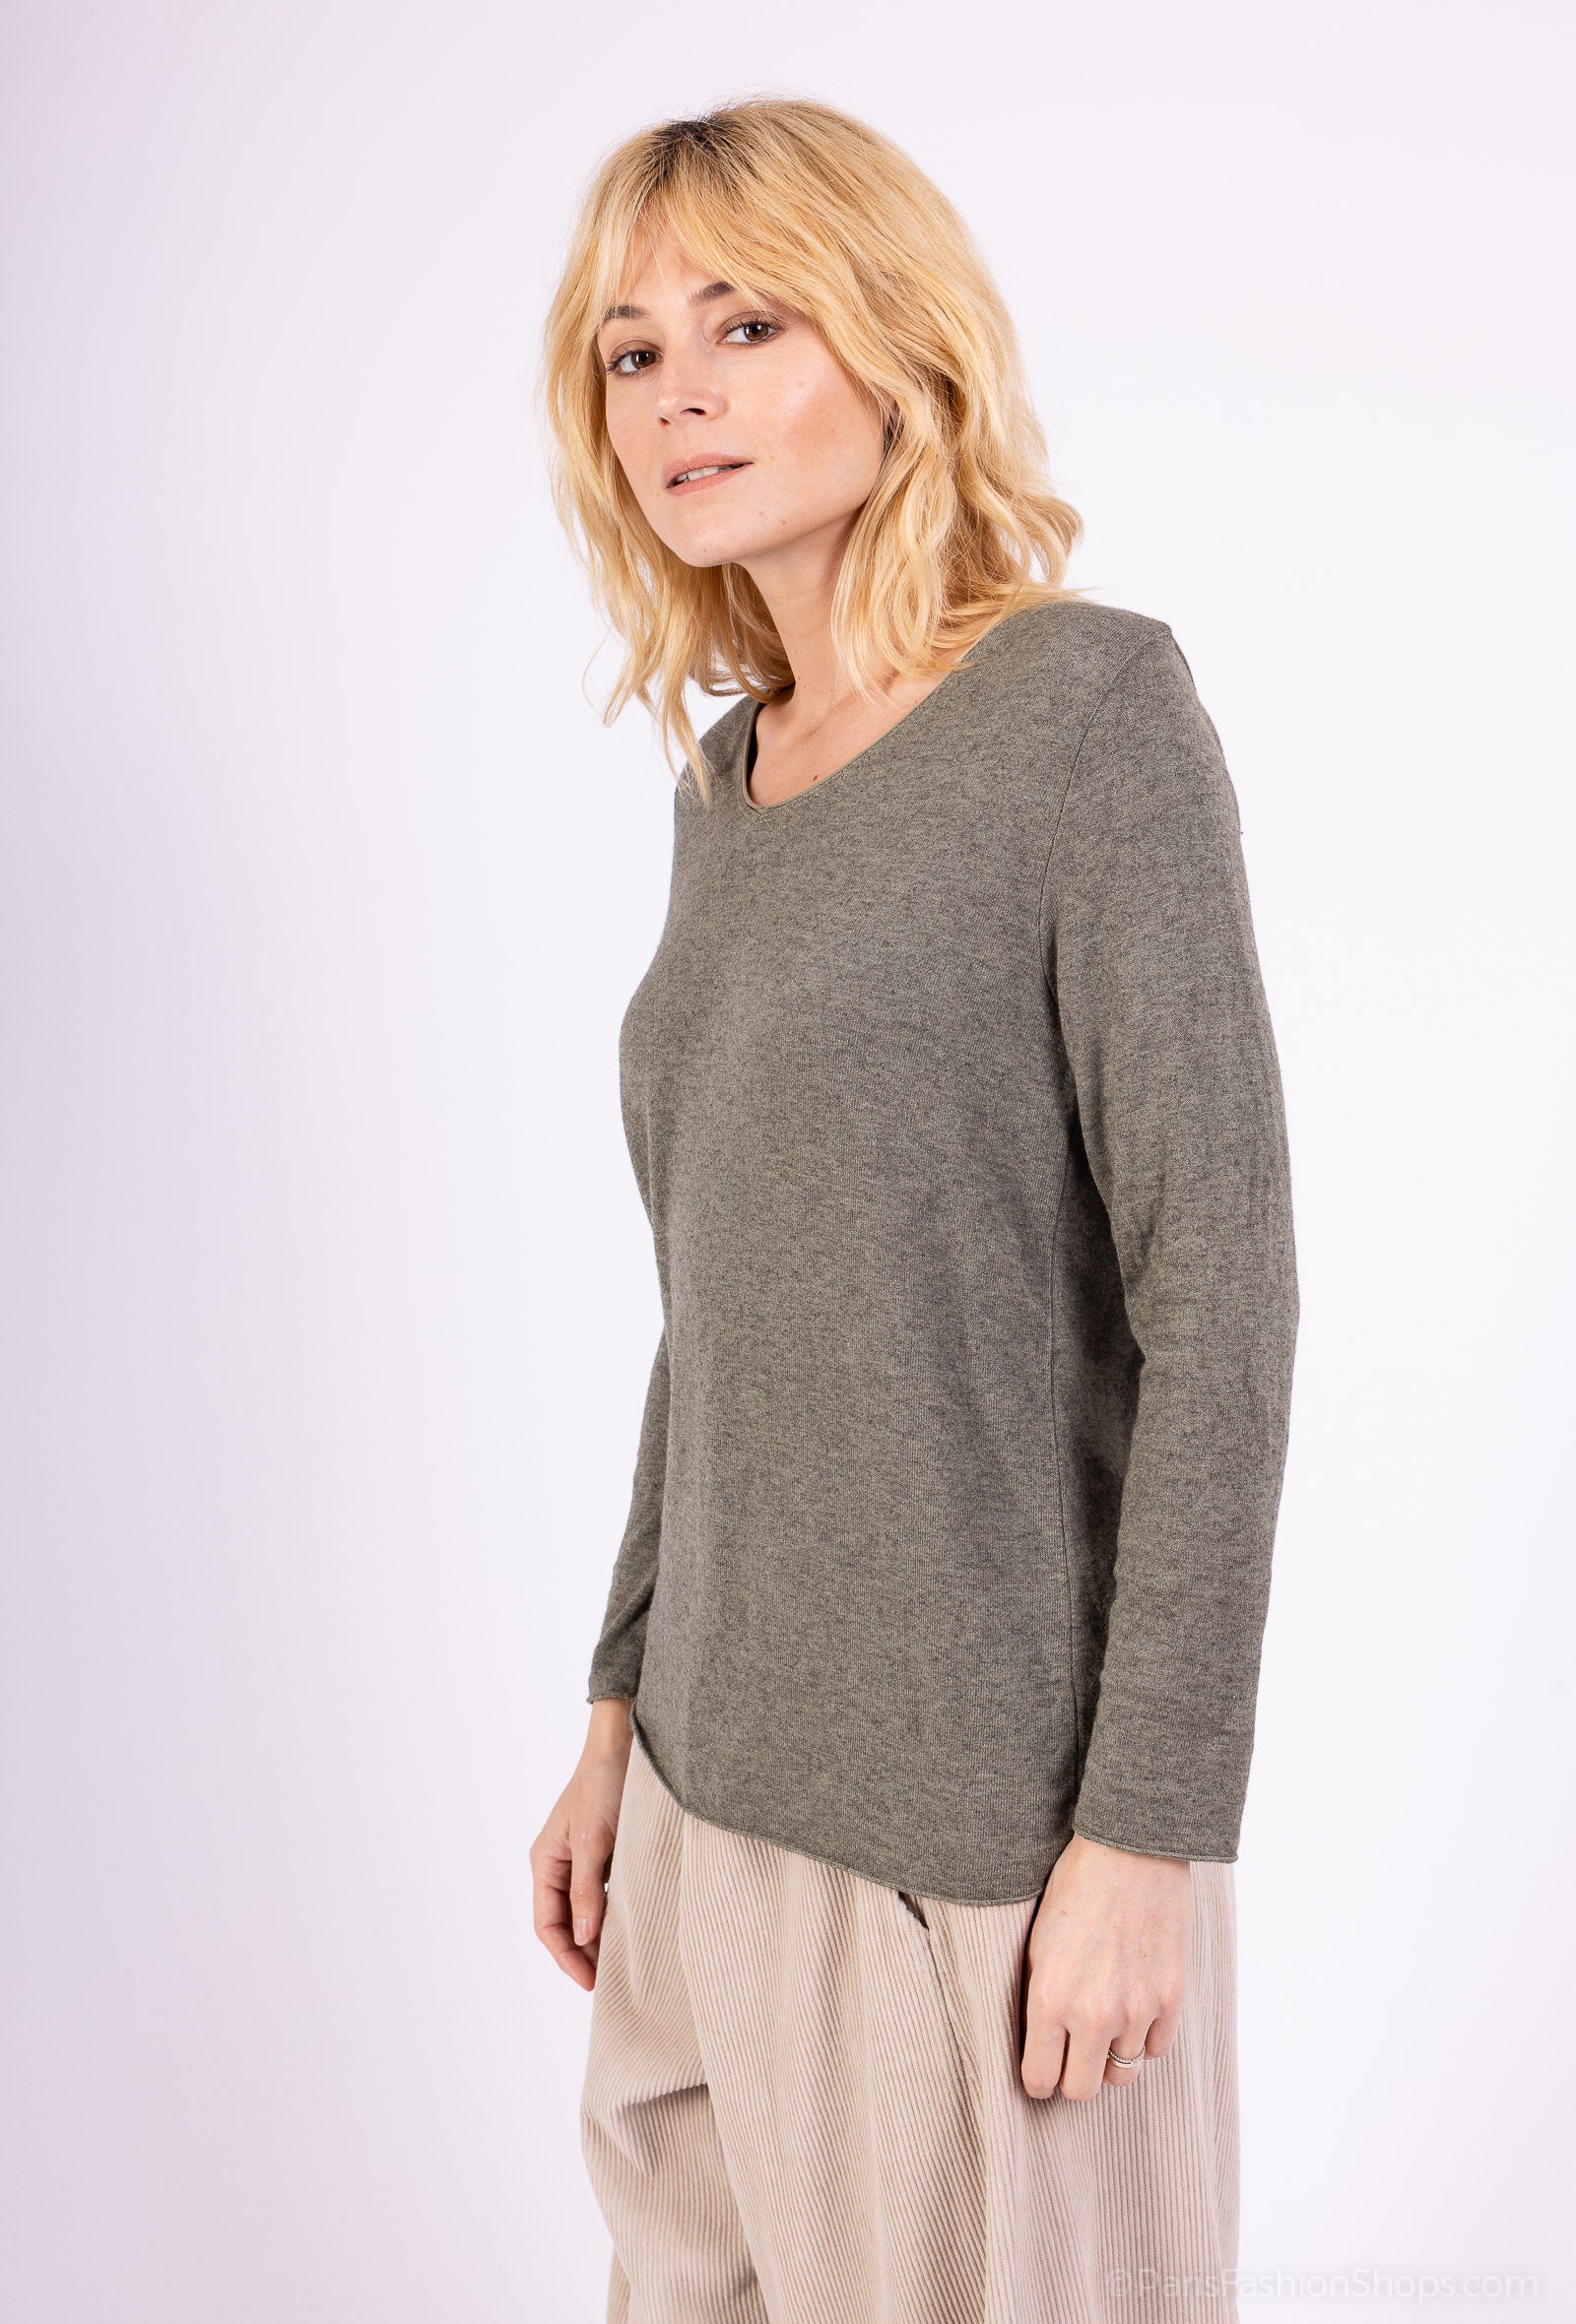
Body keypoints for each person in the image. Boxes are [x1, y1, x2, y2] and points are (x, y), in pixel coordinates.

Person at [531, 96, 1298, 2324]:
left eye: (745, 324)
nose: (676, 395)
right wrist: (615, 1708)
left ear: (898, 345)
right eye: (630, 351)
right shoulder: (730, 783)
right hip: (696, 1820)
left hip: (967, 1845)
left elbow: (1221, 1300)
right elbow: (725, 1301)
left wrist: (1145, 1829)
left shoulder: (1082, 713)